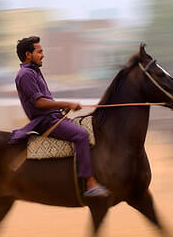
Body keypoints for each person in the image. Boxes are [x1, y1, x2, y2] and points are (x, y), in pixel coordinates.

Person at [8, 36, 109, 197]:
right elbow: (39, 103)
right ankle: (89, 182)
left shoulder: (33, 72)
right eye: (39, 52)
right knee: (82, 135)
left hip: (53, 117)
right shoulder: (26, 74)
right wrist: (66, 104)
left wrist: (61, 109)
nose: (43, 55)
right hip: (45, 122)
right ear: (28, 54)